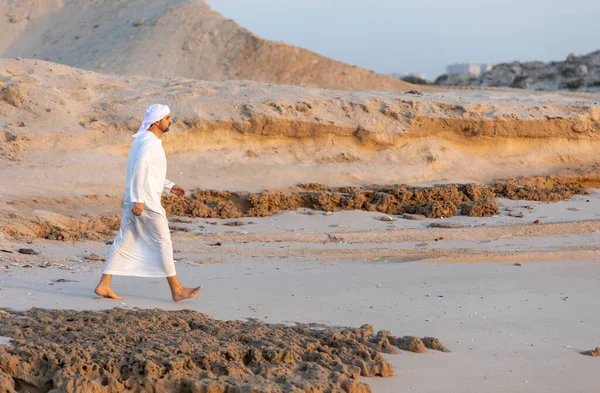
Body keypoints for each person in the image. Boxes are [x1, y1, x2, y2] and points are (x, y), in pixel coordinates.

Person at [94, 104, 202, 302]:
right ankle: (177, 289)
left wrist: (169, 186)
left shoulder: (143, 140)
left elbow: (149, 172)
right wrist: (139, 199)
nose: (171, 121)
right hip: (146, 202)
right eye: (167, 118)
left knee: (124, 241)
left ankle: (104, 284)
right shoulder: (150, 142)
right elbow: (139, 169)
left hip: (136, 198)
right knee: (163, 242)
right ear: (156, 122)